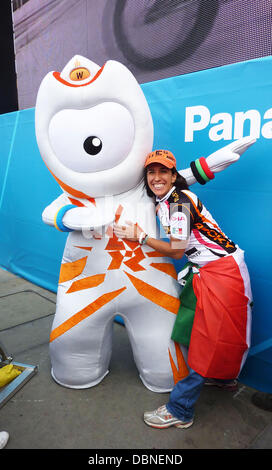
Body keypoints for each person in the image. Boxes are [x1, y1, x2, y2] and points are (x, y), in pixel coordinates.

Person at [114, 149, 252, 429]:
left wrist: (139, 236)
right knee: (208, 330)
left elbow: (177, 251)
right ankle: (222, 378)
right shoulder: (165, 199)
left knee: (210, 339)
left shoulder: (178, 202)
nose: (156, 178)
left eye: (163, 172)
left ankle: (180, 409)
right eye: (151, 172)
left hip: (224, 272)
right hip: (209, 271)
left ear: (173, 175)